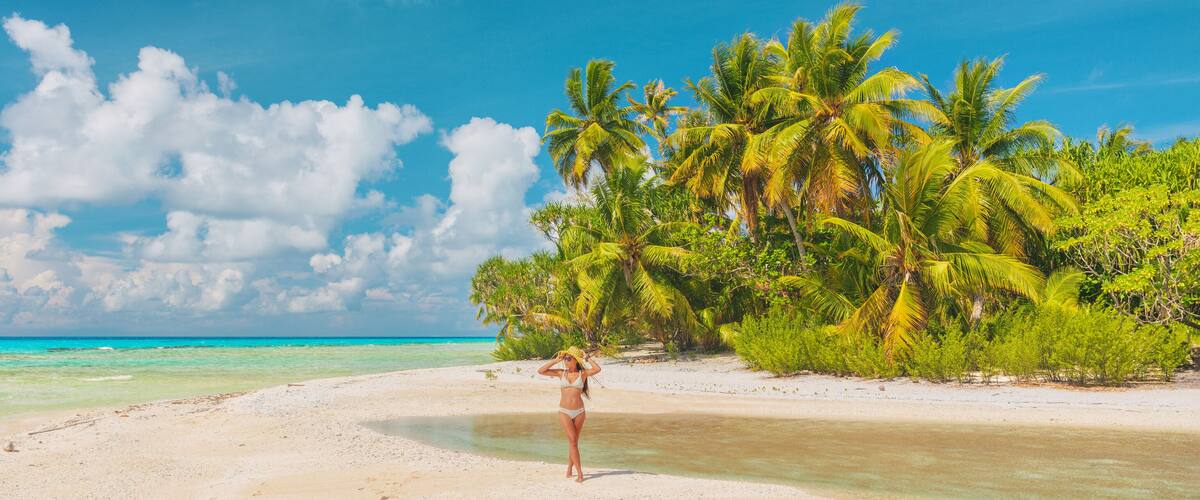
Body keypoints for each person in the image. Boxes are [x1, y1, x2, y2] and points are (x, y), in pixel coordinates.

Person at [536, 346, 602, 482]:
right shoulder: (561, 373)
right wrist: (555, 361)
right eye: (565, 358)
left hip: (579, 412)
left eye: (568, 358)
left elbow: (597, 369)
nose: (565, 360)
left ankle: (569, 469)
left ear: (575, 360)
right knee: (572, 441)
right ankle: (580, 473)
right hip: (564, 412)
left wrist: (587, 358)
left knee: (574, 442)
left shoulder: (582, 374)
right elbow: (541, 371)